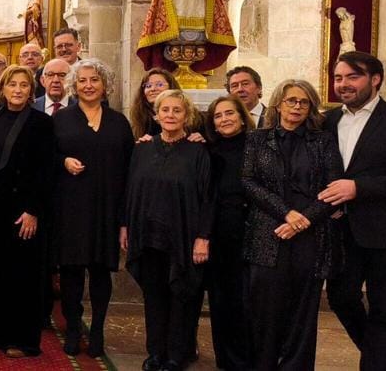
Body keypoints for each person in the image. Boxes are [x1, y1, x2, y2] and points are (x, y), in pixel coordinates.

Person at [242, 79, 343, 371]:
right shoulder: (258, 138)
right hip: (267, 232)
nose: (297, 107)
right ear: (278, 104)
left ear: (311, 107)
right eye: (291, 101)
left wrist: (303, 220)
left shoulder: (322, 140)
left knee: (303, 311)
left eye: (304, 102)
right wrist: (286, 213)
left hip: (310, 235)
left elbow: (332, 189)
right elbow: (248, 182)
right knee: (265, 310)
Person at [322, 52, 386, 371]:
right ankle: (378, 357)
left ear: (375, 80)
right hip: (342, 232)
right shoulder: (328, 120)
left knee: (385, 312)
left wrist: (358, 188)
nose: (343, 84)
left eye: (352, 77)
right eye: (338, 78)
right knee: (341, 298)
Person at [122, 90, 212, 370]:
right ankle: (155, 352)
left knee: (181, 295)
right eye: (165, 110)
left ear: (187, 116)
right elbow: (129, 190)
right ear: (155, 114)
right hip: (147, 235)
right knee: (153, 296)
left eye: (177, 111)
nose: (170, 115)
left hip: (183, 236)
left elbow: (208, 197)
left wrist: (202, 238)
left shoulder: (198, 151)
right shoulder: (142, 149)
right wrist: (125, 226)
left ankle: (176, 354)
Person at [0, 66, 55, 359]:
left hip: (23, 211)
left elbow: (45, 171)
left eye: (23, 85)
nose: (17, 90)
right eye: (12, 85)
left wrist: (33, 210)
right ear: (2, 88)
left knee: (24, 276)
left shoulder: (40, 122)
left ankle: (25, 340)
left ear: (31, 90)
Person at [52, 58, 134, 357]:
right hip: (71, 208)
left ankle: (97, 330)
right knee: (72, 273)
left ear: (104, 85)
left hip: (107, 208)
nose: (88, 85)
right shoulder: (61, 119)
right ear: (74, 85)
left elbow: (129, 170)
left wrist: (125, 219)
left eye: (94, 80)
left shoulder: (119, 122)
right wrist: (62, 161)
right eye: (83, 80)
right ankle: (73, 329)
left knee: (101, 273)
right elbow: (46, 157)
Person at [204, 95, 255, 370]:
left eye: (229, 113)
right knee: (221, 300)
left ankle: (248, 359)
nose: (224, 119)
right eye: (218, 116)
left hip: (251, 232)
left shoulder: (257, 145)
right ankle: (226, 359)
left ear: (241, 115)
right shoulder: (210, 151)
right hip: (219, 233)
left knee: (246, 301)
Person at [129, 68, 182, 139]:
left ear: (171, 88)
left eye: (159, 85)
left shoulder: (189, 116)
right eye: (148, 86)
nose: (153, 89)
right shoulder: (139, 117)